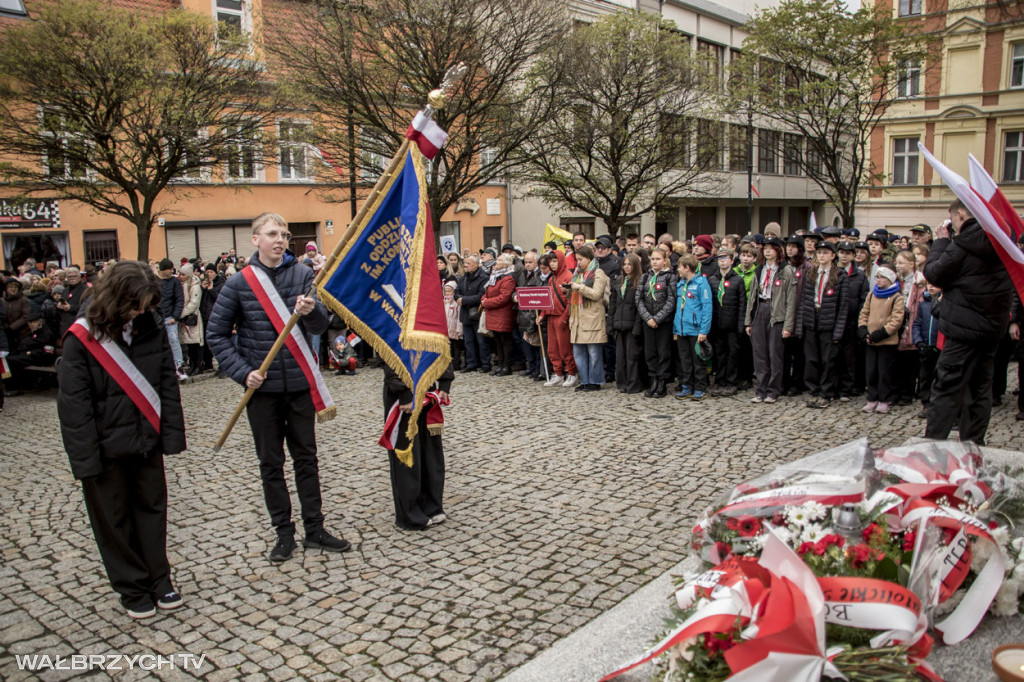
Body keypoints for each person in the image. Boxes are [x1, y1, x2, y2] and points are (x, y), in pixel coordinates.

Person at [207, 212, 351, 562]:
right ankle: (283, 533)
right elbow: (216, 335)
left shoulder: (303, 274)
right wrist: (243, 373)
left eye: (284, 235)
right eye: (272, 234)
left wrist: (311, 310)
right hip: (264, 391)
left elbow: (320, 326)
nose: (280, 240)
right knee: (271, 463)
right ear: (255, 239)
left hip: (299, 386)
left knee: (307, 460)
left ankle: (314, 529)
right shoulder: (239, 283)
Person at [57, 260, 187, 619]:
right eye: (135, 305)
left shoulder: (150, 324)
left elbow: (165, 382)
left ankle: (160, 579)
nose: (140, 312)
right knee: (114, 521)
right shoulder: (82, 337)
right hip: (104, 448)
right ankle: (132, 586)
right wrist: (86, 459)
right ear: (115, 299)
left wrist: (171, 435)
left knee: (152, 511)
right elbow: (74, 407)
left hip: (145, 439)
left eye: (146, 305)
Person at [923, 200, 1014, 443]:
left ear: (961, 214)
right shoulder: (1001, 241)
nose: (951, 224)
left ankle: (933, 445)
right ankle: (974, 444)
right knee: (980, 388)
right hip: (991, 328)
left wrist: (942, 240)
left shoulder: (963, 244)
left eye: (952, 219)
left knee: (947, 387)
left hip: (963, 330)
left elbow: (934, 273)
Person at [381, 362, 454, 531]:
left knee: (431, 452)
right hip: (403, 392)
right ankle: (409, 512)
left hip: (427, 384)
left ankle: (431, 505)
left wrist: (445, 380)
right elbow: (388, 350)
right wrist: (403, 391)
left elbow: (439, 342)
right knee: (407, 452)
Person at [745, 237, 797, 404]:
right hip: (760, 309)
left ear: (778, 251)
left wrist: (788, 325)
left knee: (774, 354)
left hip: (777, 314)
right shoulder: (759, 270)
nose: (767, 251)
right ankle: (761, 389)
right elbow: (752, 296)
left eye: (771, 248)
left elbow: (791, 300)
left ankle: (773, 390)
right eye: (765, 248)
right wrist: (748, 321)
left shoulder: (785, 270)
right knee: (759, 353)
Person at [796, 241, 848, 408]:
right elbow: (804, 300)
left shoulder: (840, 275)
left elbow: (843, 306)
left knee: (828, 359)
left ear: (833, 256)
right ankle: (814, 389)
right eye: (819, 253)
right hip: (812, 320)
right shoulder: (812, 273)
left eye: (826, 253)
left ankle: (826, 392)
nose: (822, 256)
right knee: (811, 358)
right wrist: (801, 324)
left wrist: (838, 331)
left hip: (829, 322)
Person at [858, 264, 905, 414]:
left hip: (886, 341)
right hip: (871, 340)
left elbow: (896, 320)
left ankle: (884, 399)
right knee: (871, 371)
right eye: (877, 277)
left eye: (882, 277)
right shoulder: (872, 294)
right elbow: (864, 313)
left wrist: (882, 333)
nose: (878, 280)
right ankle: (872, 398)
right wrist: (863, 329)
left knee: (884, 371)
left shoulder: (896, 297)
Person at [567, 244, 609, 391]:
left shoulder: (598, 273)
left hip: (592, 318)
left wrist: (580, 288)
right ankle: (584, 380)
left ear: (589, 258)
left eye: (581, 259)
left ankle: (595, 381)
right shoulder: (578, 274)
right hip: (577, 319)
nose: (578, 263)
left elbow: (597, 294)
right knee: (578, 353)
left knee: (594, 353)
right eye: (577, 260)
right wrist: (567, 290)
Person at [637, 248, 676, 398]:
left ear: (665, 260)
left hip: (663, 322)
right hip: (648, 321)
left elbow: (671, 300)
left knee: (663, 352)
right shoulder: (646, 277)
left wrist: (658, 318)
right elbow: (638, 299)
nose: (654, 262)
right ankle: (653, 379)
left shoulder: (670, 277)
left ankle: (662, 382)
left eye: (658, 259)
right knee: (650, 352)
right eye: (653, 259)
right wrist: (648, 318)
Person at [673, 254, 712, 401]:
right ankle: (687, 386)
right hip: (681, 329)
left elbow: (707, 308)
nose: (678, 270)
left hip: (695, 329)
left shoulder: (701, 284)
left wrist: (704, 330)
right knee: (685, 360)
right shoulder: (680, 284)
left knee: (698, 360)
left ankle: (700, 388)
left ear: (687, 268)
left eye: (680, 267)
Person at [707, 249, 746, 397]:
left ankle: (731, 381)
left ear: (731, 260)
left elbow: (742, 304)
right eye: (720, 258)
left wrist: (741, 325)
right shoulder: (713, 279)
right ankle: (720, 379)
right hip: (717, 324)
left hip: (732, 324)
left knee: (732, 353)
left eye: (725, 258)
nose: (722, 261)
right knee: (719, 353)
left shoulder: (737, 280)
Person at [541, 249, 578, 387]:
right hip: (551, 316)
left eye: (555, 261)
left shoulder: (568, 276)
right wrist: (542, 315)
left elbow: (570, 300)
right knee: (552, 348)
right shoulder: (551, 278)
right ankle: (558, 373)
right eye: (550, 261)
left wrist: (564, 317)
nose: (553, 264)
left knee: (565, 348)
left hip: (561, 316)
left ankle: (571, 373)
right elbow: (548, 299)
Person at [609, 253, 643, 394]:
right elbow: (613, 306)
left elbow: (639, 308)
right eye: (625, 264)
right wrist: (610, 325)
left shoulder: (639, 282)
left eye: (630, 264)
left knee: (632, 357)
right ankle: (622, 383)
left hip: (632, 325)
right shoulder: (619, 282)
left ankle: (633, 384)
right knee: (621, 357)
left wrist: (637, 328)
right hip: (619, 324)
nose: (627, 267)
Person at [480, 254, 517, 376]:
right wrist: (484, 299)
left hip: (503, 313)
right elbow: (488, 291)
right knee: (497, 340)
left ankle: (507, 366)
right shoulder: (495, 276)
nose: (497, 262)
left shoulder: (508, 278)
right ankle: (500, 365)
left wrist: (487, 302)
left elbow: (504, 298)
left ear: (506, 264)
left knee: (505, 340)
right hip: (493, 313)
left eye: (500, 260)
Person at [455, 255, 491, 373]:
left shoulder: (484, 278)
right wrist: (459, 298)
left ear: (476, 264)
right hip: (466, 313)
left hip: (478, 313)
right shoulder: (462, 278)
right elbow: (457, 292)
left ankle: (485, 363)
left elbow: (482, 295)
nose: (465, 266)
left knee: (481, 341)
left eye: (468, 264)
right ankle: (471, 363)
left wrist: (465, 300)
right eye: (465, 264)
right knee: (468, 341)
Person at [913, 282, 941, 419]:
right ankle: (926, 403)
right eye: (929, 284)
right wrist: (918, 341)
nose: (931, 287)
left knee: (938, 377)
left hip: (938, 346)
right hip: (925, 345)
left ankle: (937, 403)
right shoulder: (923, 303)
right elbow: (917, 323)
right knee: (925, 377)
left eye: (934, 284)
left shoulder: (943, 303)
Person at [155, 259, 186, 381]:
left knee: (173, 340)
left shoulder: (174, 282)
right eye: (169, 269)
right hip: (158, 317)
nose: (171, 271)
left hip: (170, 317)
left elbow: (179, 300)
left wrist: (175, 316)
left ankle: (179, 366)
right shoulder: (155, 282)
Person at [177, 263, 204, 376]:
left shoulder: (195, 286)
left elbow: (194, 303)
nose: (180, 276)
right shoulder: (183, 284)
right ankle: (192, 365)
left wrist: (181, 313)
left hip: (192, 316)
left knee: (195, 343)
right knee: (189, 344)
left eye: (183, 274)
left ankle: (198, 365)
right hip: (185, 318)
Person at [443, 279, 464, 371]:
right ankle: (449, 363)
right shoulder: (444, 302)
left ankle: (457, 363)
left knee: (456, 347)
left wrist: (459, 329)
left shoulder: (456, 303)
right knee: (449, 347)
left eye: (449, 291)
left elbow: (459, 316)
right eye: (446, 291)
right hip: (446, 328)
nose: (447, 293)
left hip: (454, 328)